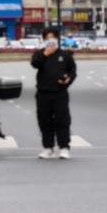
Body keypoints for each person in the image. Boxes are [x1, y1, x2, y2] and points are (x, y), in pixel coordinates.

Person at [30, 27, 77, 160]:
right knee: (44, 120)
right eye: (47, 38)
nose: (50, 40)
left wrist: (68, 79)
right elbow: (34, 64)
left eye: (52, 38)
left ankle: (64, 147)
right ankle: (48, 148)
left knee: (62, 120)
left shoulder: (65, 55)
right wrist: (45, 53)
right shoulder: (40, 54)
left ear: (57, 39)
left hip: (60, 93)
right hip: (43, 93)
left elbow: (73, 71)